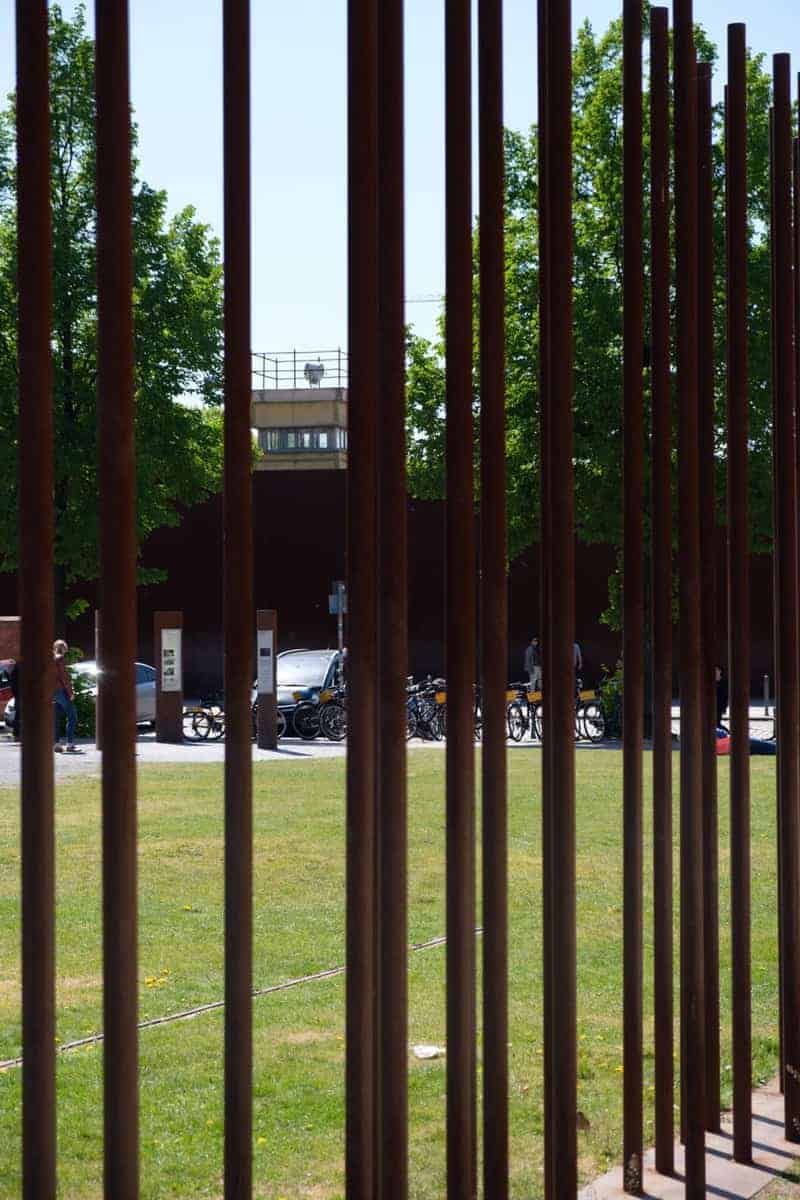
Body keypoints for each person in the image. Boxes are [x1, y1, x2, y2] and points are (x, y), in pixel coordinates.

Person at [53, 639, 78, 752]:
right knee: (72, 716)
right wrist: (71, 693)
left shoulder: (51, 659)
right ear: (64, 649)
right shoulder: (60, 659)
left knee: (56, 718)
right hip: (61, 691)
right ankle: (70, 744)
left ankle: (56, 744)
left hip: (53, 693)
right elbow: (64, 678)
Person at [9, 656, 20, 740]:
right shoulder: (19, 666)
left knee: (18, 715)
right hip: (21, 694)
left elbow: (13, 683)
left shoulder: (17, 666)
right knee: (19, 715)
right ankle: (17, 734)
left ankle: (17, 734)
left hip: (19, 694)